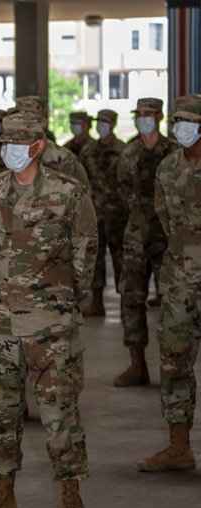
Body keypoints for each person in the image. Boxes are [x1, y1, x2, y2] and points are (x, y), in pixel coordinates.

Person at [0, 112, 97, 508]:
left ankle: (71, 497)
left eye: (18, 144)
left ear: (38, 146)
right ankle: (3, 493)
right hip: (1, 320)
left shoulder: (68, 191)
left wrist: (63, 298)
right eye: (5, 144)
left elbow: (85, 251)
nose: (10, 151)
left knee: (59, 411)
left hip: (51, 323)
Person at [138, 95, 201, 472]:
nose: (180, 129)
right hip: (179, 279)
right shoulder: (167, 168)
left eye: (188, 122)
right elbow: (164, 216)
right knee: (175, 357)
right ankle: (180, 446)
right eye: (176, 122)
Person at [113, 98, 177, 387]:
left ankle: (172, 365)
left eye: (148, 115)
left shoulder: (173, 152)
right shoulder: (128, 154)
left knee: (173, 302)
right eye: (139, 115)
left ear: (160, 117)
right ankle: (137, 365)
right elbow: (124, 190)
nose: (143, 120)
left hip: (167, 237)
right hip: (136, 235)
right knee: (132, 298)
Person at [77, 109, 127, 317]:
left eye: (105, 122)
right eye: (99, 121)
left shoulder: (123, 150)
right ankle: (97, 302)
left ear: (113, 124)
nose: (101, 125)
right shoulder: (88, 151)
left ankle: (125, 302)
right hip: (94, 213)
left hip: (118, 214)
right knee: (95, 258)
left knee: (121, 258)